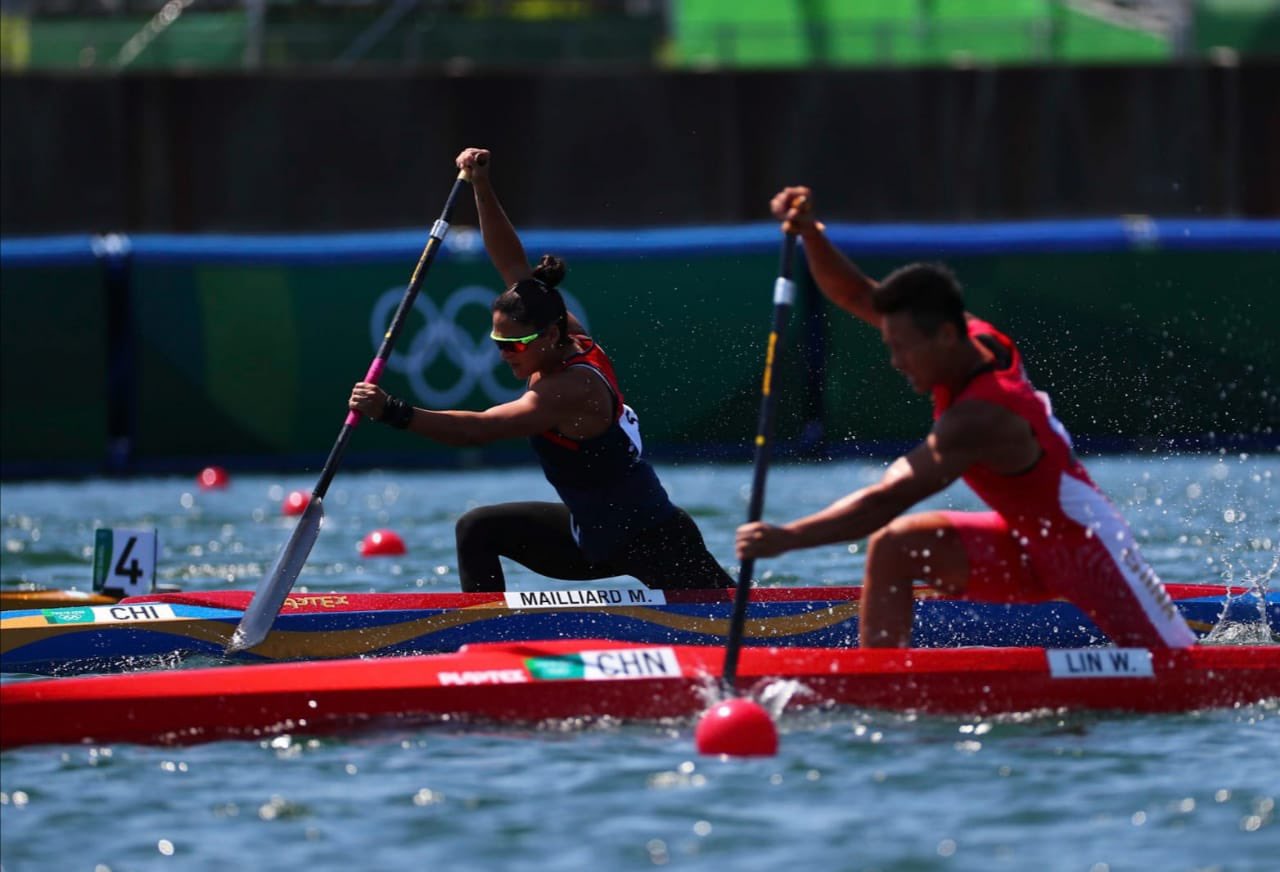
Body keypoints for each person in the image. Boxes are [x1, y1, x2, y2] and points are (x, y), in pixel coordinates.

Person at [735, 185, 1196, 649]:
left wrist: (786, 538)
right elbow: (856, 294)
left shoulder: (979, 416)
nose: (896, 361)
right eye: (890, 345)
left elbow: (884, 501)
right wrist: (811, 235)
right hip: (1023, 545)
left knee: (1179, 667)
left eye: (903, 348)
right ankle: (884, 677)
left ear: (944, 336)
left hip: (1089, 549)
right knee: (896, 548)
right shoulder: (970, 338)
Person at [350, 147, 733, 594]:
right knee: (477, 529)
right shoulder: (556, 329)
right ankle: (486, 631)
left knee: (744, 622)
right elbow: (511, 263)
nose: (505, 354)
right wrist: (481, 186)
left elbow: (479, 430)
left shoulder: (572, 387)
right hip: (589, 536)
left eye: (515, 344)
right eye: (498, 343)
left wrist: (391, 411)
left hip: (653, 540)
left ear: (550, 335)